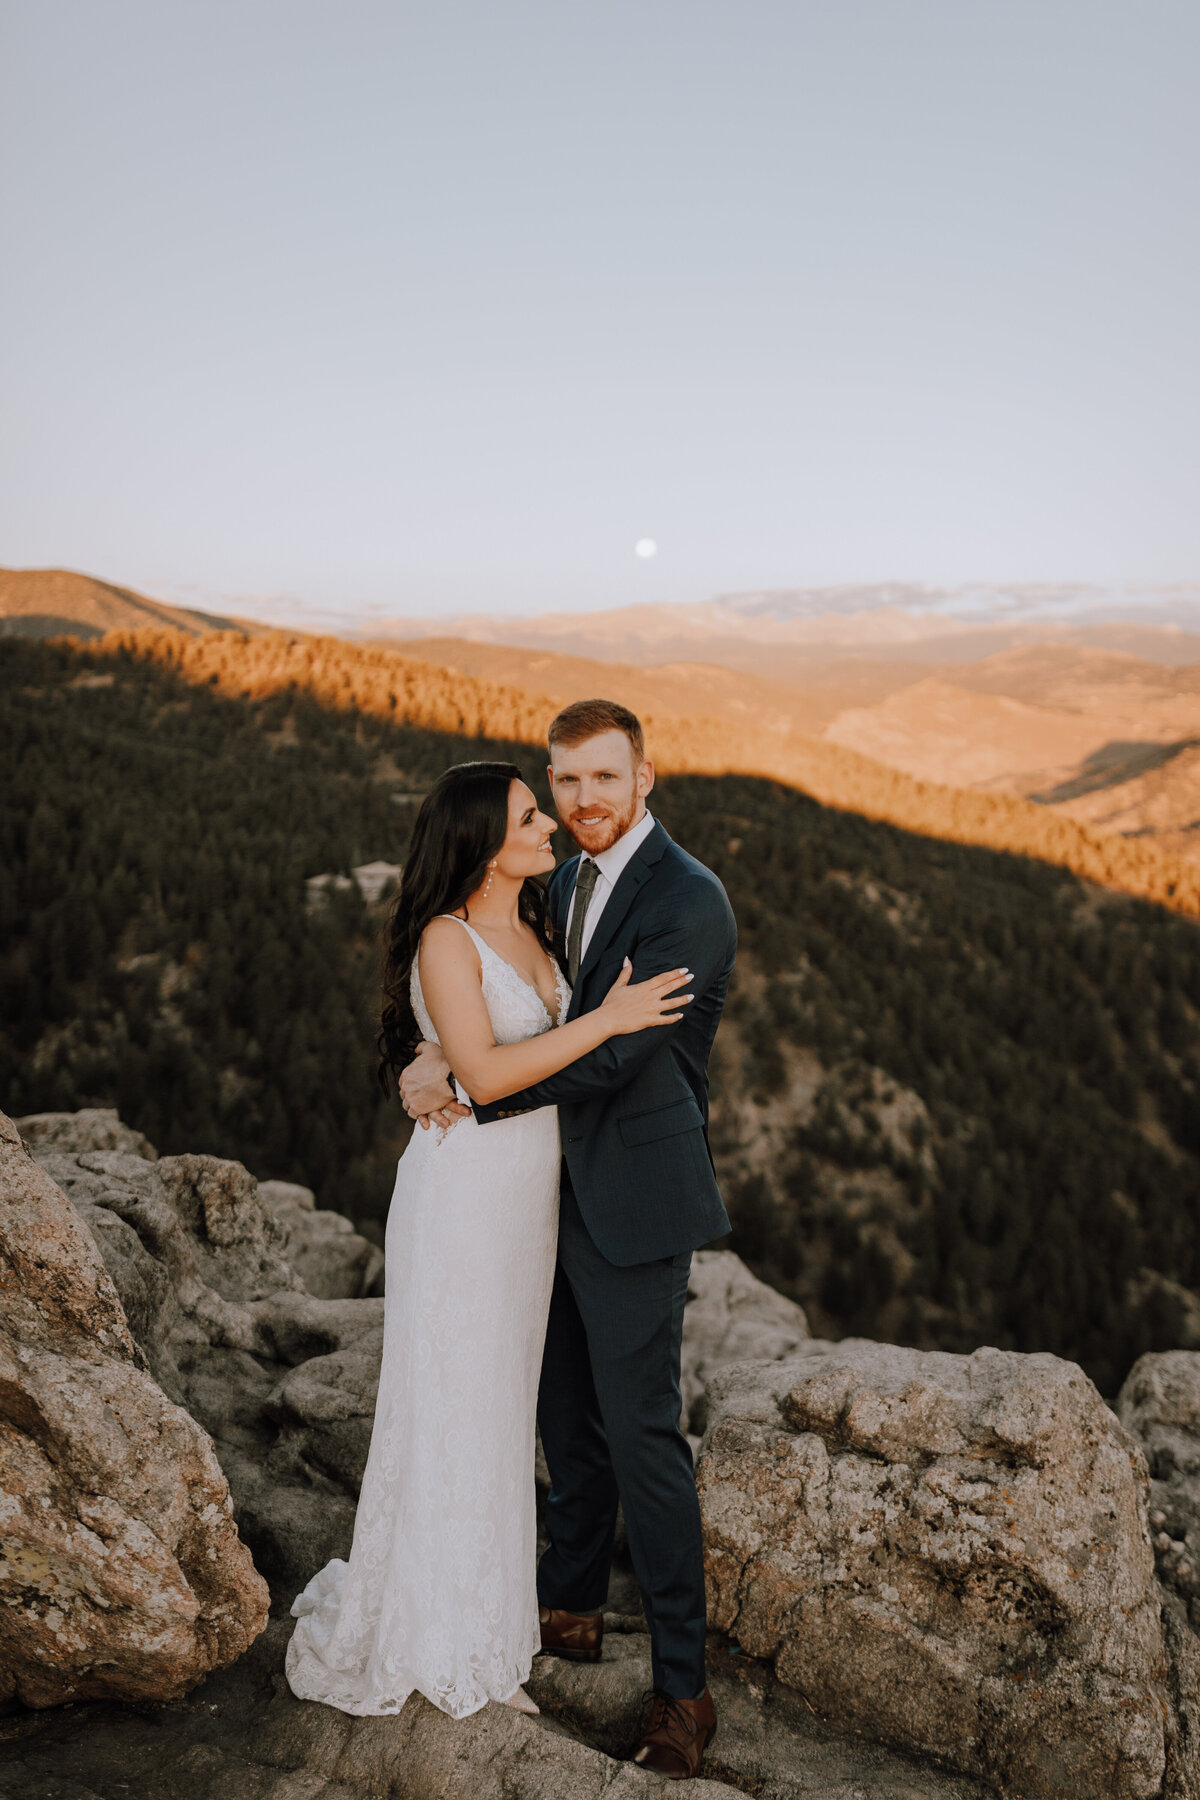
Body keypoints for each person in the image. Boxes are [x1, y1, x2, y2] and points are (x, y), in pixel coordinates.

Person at [284, 758, 692, 1721]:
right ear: (482, 843)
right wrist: (609, 1020)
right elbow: (489, 1073)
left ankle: (487, 1628)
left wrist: (450, 1065)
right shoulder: (444, 937)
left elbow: (477, 1063)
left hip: (528, 1206)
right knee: (456, 1406)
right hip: (465, 1200)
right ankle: (439, 1641)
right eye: (526, 816)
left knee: (503, 1414)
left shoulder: (540, 921)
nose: (548, 824)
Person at [401, 699, 736, 1780]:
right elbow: (474, 987)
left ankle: (683, 1688)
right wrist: (427, 1061)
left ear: (647, 779)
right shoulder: (551, 884)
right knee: (561, 1414)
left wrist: (469, 1086)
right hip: (532, 1196)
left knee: (642, 1434)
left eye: (604, 778)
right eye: (565, 782)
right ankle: (573, 1601)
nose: (582, 801)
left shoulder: (688, 900)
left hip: (631, 1194)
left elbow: (610, 1060)